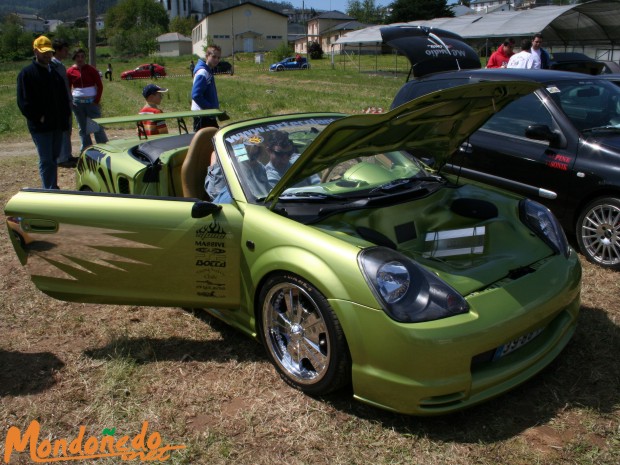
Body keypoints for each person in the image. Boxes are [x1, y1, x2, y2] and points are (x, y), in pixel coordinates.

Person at [17, 36, 72, 189]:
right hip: (41, 127)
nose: (47, 55)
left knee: (54, 158)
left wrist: (65, 117)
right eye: (43, 52)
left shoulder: (54, 73)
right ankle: (49, 189)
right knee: (46, 159)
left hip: (57, 124)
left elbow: (62, 97)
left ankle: (52, 186)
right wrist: (38, 118)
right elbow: (23, 102)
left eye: (49, 52)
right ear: (35, 51)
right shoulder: (27, 74)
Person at [66, 48, 108, 152]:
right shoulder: (70, 71)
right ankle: (86, 149)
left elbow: (99, 85)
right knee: (83, 128)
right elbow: (67, 86)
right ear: (74, 58)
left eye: (82, 56)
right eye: (77, 57)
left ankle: (103, 147)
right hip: (77, 104)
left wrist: (96, 101)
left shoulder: (91, 69)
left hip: (91, 102)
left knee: (95, 125)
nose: (80, 59)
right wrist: (70, 100)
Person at [51, 38, 77, 168]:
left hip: (66, 102)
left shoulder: (60, 65)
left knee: (67, 130)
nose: (67, 53)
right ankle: (62, 158)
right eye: (65, 50)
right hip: (59, 104)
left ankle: (67, 154)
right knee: (62, 130)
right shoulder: (53, 66)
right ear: (58, 51)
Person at [191, 45, 222, 131]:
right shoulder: (203, 72)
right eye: (214, 56)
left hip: (207, 115)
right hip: (203, 116)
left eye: (218, 58)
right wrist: (210, 107)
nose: (216, 60)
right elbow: (196, 95)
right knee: (205, 143)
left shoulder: (208, 71)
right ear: (207, 56)